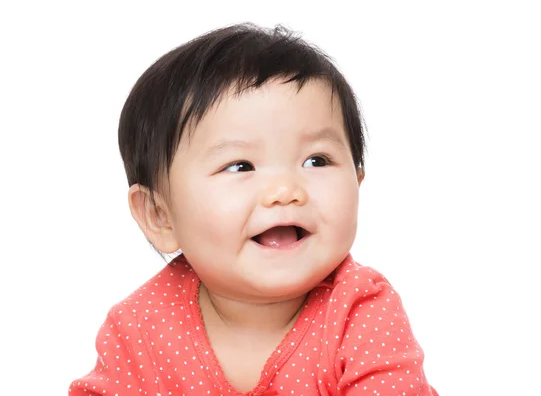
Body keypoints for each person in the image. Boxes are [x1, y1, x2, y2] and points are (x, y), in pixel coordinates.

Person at [69, 23, 438, 396]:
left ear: (358, 183)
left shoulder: (360, 312)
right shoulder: (139, 329)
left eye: (316, 160)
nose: (284, 190)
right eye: (240, 166)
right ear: (159, 215)